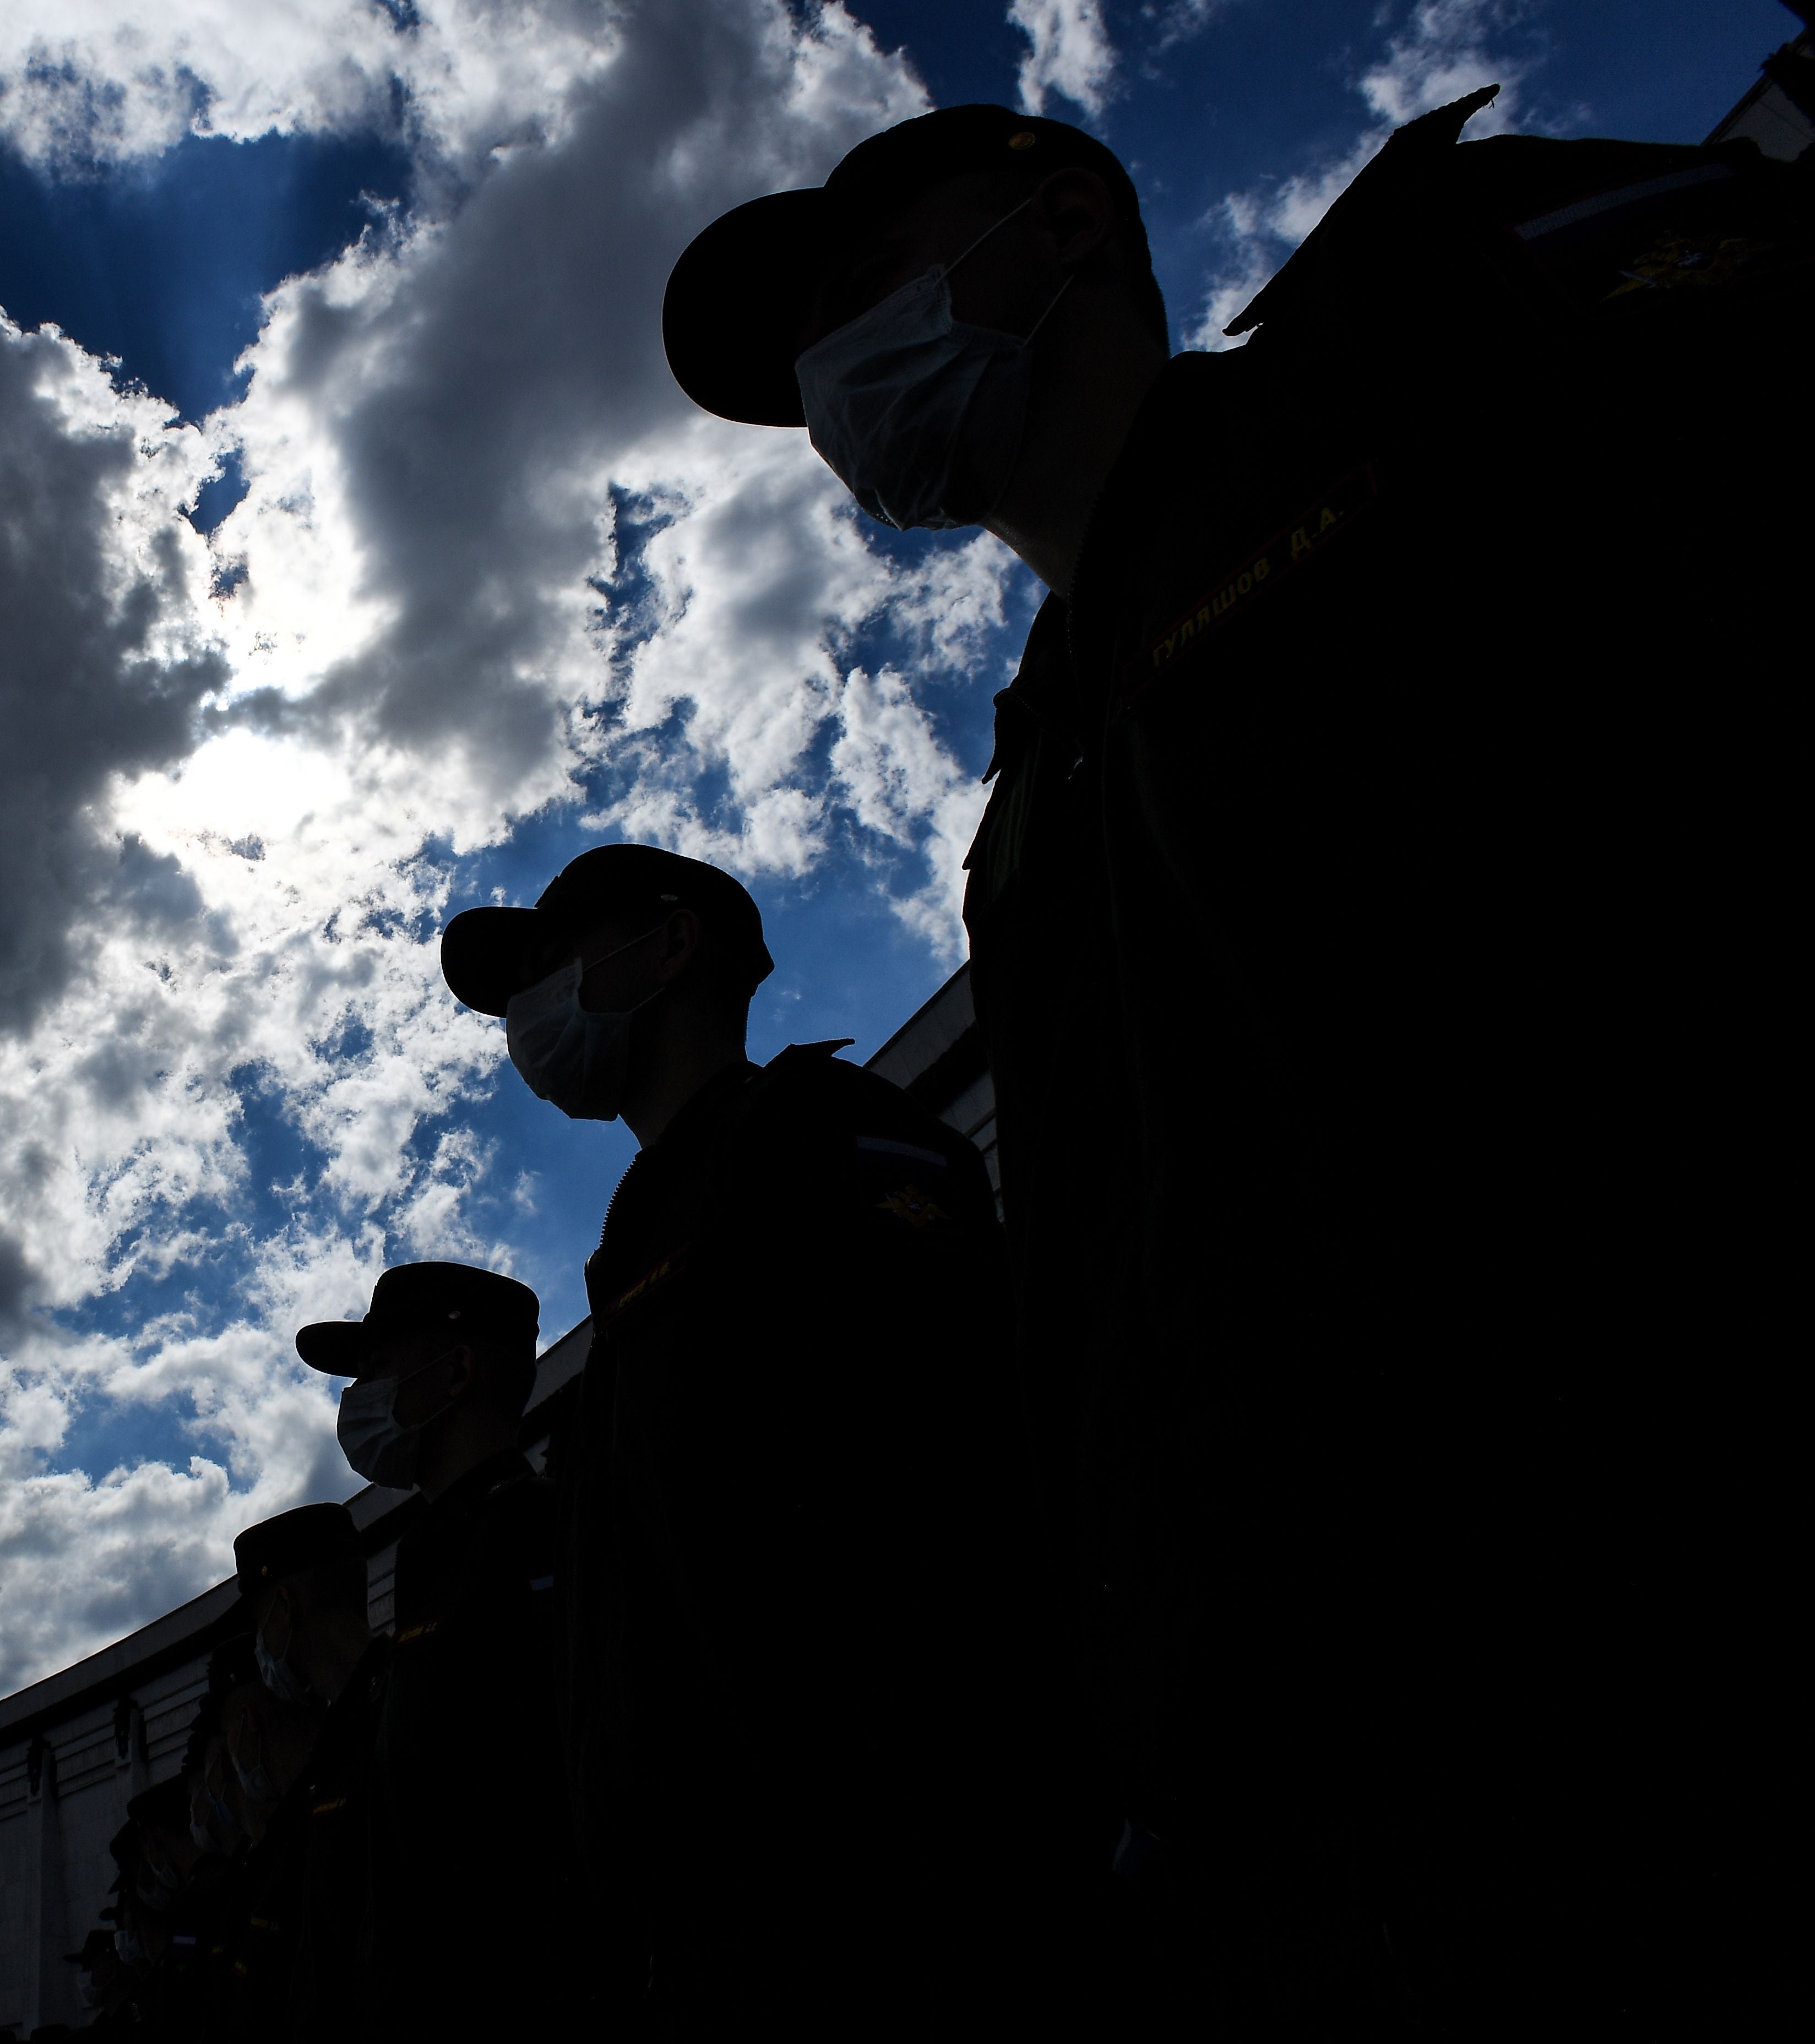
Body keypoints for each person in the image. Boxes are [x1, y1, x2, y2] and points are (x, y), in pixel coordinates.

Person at [660, 98, 1807, 2027]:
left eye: (862, 282)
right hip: (1290, 1807)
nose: (827, 366)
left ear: (1058, 226)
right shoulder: (1026, 799)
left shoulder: (1426, 345)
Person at [438, 842, 1050, 2034]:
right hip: (711, 1924)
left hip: (867, 1901)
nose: (527, 1014)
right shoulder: (644, 1226)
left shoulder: (820, 1135)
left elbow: (943, 1485)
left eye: (552, 966)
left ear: (670, 947)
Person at [296, 1262, 573, 2041]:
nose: (357, 1401)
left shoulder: (539, 1531)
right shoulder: (434, 1554)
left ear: (455, 1371)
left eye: (377, 1370)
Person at [217, 1503, 390, 2043]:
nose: (263, 1651)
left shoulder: (384, 1728)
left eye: (260, 1626)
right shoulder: (372, 1725)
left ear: (284, 1609)